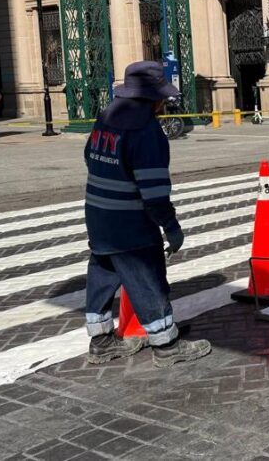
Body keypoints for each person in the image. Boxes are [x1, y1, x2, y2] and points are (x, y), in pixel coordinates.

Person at [82, 61, 211, 367]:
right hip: (130, 221)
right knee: (145, 277)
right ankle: (166, 345)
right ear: (154, 98)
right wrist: (171, 226)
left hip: (97, 213)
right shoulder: (146, 130)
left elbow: (89, 155)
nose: (164, 104)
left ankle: (100, 342)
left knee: (102, 272)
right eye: (162, 98)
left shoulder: (106, 117)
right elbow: (153, 190)